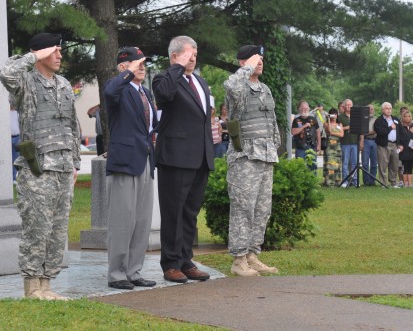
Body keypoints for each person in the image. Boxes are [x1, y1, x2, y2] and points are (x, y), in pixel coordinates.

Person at [0, 32, 80, 301]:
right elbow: (5, 73)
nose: (59, 55)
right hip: (38, 168)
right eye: (54, 51)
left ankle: (46, 285)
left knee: (57, 230)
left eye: (59, 50)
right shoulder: (25, 81)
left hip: (64, 167)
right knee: (37, 227)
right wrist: (34, 56)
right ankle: (32, 287)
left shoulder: (64, 85)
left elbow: (71, 125)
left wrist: (75, 163)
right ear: (41, 53)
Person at [152, 35, 214, 283]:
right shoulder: (164, 79)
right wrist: (177, 67)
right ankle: (170, 264)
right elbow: (164, 96)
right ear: (175, 55)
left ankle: (186, 260)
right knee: (173, 212)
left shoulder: (199, 81)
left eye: (196, 54)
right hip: (176, 157)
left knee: (190, 212)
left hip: (200, 157)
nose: (194, 58)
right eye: (189, 54)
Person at [103, 47, 157, 290]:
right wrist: (128, 74)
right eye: (137, 63)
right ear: (123, 66)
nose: (142, 67)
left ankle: (134, 271)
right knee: (122, 221)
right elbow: (111, 91)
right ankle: (117, 273)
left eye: (143, 63)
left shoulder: (145, 92)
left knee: (142, 221)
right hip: (124, 161)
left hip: (145, 159)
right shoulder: (117, 88)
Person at [224, 45, 280, 277]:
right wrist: (247, 68)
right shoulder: (238, 87)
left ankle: (251, 255)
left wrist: (275, 144)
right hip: (245, 157)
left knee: (261, 209)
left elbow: (272, 119)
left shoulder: (264, 88)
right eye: (255, 59)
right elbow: (230, 85)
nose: (260, 62)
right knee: (243, 208)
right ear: (243, 63)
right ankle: (238, 260)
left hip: (265, 156)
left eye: (261, 59)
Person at [374, 102, 401, 188]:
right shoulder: (378, 121)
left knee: (394, 164)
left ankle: (393, 182)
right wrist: (390, 128)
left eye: (390, 108)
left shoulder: (395, 119)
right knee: (383, 164)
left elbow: (401, 132)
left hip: (394, 145)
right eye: (387, 108)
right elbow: (381, 132)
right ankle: (383, 183)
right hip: (384, 145)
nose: (389, 110)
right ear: (382, 110)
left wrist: (400, 144)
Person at [291, 100, 320, 171]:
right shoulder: (296, 120)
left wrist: (319, 144)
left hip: (312, 146)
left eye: (306, 109)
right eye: (302, 109)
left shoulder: (313, 119)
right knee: (300, 167)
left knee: (312, 166)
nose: (304, 110)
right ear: (299, 110)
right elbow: (293, 132)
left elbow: (318, 132)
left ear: (309, 109)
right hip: (300, 147)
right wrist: (303, 126)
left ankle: (312, 181)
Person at [338, 99, 359, 186]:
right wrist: (348, 127)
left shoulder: (356, 116)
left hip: (355, 142)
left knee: (354, 163)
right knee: (345, 163)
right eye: (347, 105)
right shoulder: (340, 117)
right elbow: (338, 129)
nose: (349, 106)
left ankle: (354, 181)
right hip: (345, 143)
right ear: (344, 106)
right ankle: (345, 181)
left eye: (350, 105)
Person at [398, 110, 413, 188]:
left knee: (410, 167)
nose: (407, 118)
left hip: (412, 150)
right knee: (404, 167)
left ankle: (410, 183)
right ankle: (405, 183)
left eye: (409, 116)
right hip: (404, 150)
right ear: (402, 117)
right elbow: (402, 138)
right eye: (405, 116)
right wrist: (410, 133)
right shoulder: (400, 127)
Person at [323, 108, 344, 186]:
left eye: (335, 114)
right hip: (329, 146)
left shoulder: (340, 124)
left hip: (337, 146)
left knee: (337, 163)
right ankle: (329, 181)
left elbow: (342, 134)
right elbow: (328, 130)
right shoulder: (326, 123)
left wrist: (333, 133)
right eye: (332, 114)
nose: (334, 116)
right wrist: (328, 119)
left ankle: (337, 181)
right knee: (330, 163)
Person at [361, 104, 378, 186]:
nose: (370, 110)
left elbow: (375, 131)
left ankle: (372, 181)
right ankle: (366, 181)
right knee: (365, 163)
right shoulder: (362, 119)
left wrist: (365, 134)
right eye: (369, 109)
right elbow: (360, 132)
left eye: (372, 109)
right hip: (365, 141)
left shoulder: (376, 119)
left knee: (374, 163)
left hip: (374, 141)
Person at [10, 104, 20, 182]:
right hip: (7, 138)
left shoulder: (17, 113)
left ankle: (14, 178)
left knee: (15, 159)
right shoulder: (4, 113)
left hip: (17, 137)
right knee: (8, 159)